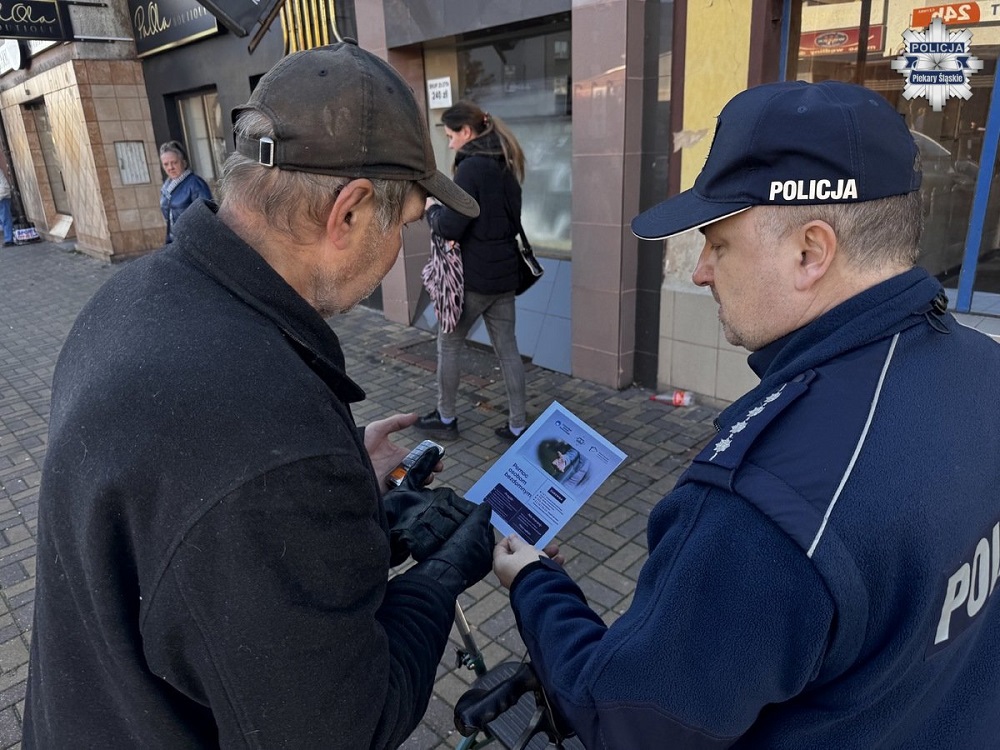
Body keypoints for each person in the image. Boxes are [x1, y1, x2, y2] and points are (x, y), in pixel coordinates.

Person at [493, 80, 1000, 748]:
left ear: (809, 253)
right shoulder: (982, 368)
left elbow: (627, 721)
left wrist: (532, 581)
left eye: (719, 243)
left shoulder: (762, 509)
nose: (700, 271)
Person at [24, 41, 496, 749]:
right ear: (350, 211)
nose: (404, 248)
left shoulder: (132, 297)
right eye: (405, 226)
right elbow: (347, 729)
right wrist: (441, 576)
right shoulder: (269, 452)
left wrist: (337, 497)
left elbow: (190, 529)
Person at [415, 100, 529, 442]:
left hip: (473, 280)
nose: (450, 143)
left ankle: (446, 419)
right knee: (508, 350)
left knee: (448, 345)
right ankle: (518, 425)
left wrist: (432, 210)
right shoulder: (507, 162)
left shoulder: (471, 168)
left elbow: (452, 226)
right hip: (505, 276)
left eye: (451, 136)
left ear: (466, 132)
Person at [159, 139, 213, 243]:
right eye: (166, 164)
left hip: (193, 242)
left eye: (174, 162)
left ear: (183, 162)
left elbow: (207, 216)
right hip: (175, 242)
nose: (170, 167)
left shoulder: (195, 184)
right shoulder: (166, 188)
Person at [0, 167, 14, 246]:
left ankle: (9, 239)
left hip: (3, 198)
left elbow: (4, 187)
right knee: (3, 219)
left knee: (5, 219)